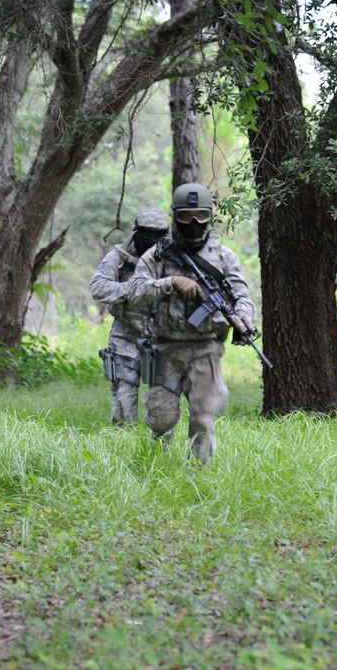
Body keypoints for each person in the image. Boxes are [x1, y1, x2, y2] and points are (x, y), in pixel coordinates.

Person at [128, 182, 257, 462]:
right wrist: (171, 282)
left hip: (206, 349)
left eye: (201, 216)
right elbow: (135, 291)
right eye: (186, 217)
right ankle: (155, 459)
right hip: (165, 348)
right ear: (175, 216)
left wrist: (243, 321)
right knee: (161, 419)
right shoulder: (159, 255)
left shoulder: (223, 257)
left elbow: (241, 296)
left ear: (210, 215)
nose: (194, 223)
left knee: (203, 414)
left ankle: (200, 477)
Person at [90, 207, 169, 425]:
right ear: (137, 232)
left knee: (163, 401)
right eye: (146, 234)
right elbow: (98, 287)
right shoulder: (119, 255)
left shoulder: (174, 255)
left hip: (164, 335)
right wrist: (134, 290)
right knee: (124, 397)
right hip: (126, 333)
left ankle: (160, 450)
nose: (152, 240)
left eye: (158, 234)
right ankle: (123, 447)